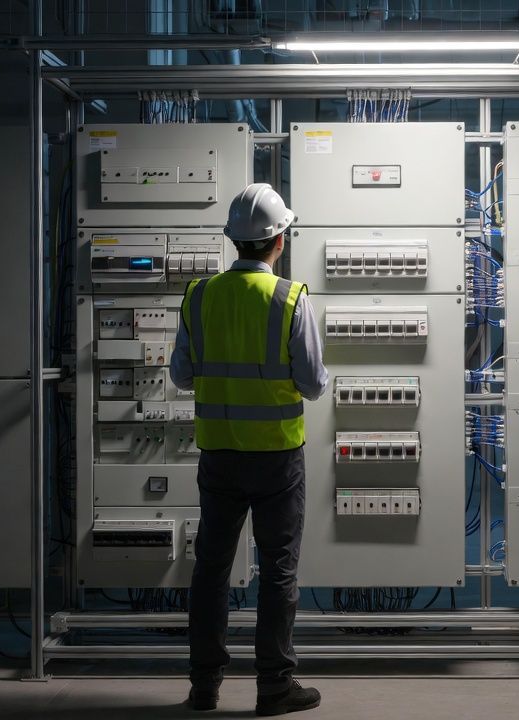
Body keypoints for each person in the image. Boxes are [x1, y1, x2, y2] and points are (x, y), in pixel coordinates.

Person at [171, 183, 328, 716]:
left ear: (233, 241)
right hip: (278, 457)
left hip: (218, 454)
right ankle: (274, 686)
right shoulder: (290, 299)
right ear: (279, 240)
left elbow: (181, 375)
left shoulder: (199, 296)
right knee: (278, 569)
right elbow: (311, 384)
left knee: (211, 568)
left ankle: (204, 687)